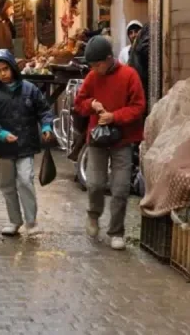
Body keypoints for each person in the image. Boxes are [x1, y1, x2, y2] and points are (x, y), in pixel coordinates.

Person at [73, 36, 146, 251]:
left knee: (121, 188)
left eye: (97, 65)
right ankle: (94, 214)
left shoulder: (129, 75)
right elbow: (79, 103)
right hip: (97, 138)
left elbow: (138, 106)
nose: (95, 69)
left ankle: (116, 231)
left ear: (108, 59)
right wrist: (91, 104)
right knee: (95, 183)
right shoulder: (92, 77)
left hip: (122, 139)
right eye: (92, 66)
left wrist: (115, 117)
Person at [0, 49, 54, 236]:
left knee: (25, 180)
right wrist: (0, 133)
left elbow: (44, 110)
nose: (2, 74)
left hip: (26, 145)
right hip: (5, 147)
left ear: (12, 67)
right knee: (6, 184)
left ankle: (31, 221)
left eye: (5, 69)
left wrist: (47, 127)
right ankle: (14, 220)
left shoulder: (30, 89)